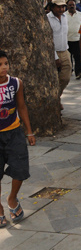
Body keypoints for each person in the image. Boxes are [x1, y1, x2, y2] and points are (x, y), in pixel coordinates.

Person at [0, 50, 35, 227]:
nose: (4, 67)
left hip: (14, 133)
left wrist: (29, 132)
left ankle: (12, 198)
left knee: (21, 168)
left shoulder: (16, 83)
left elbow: (22, 107)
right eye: (0, 65)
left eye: (6, 63)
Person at [46, 0, 71, 99]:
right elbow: (48, 39)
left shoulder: (65, 17)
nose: (61, 9)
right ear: (52, 7)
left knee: (66, 77)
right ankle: (55, 99)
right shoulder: (47, 18)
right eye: (58, 7)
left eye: (63, 7)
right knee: (53, 78)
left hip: (65, 50)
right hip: (53, 52)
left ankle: (56, 97)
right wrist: (55, 57)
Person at [66, 0, 81, 79]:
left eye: (73, 4)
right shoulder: (63, 15)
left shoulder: (80, 15)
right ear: (67, 6)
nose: (72, 6)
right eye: (70, 5)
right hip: (67, 40)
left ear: (75, 6)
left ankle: (79, 73)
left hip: (77, 40)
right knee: (68, 59)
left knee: (78, 57)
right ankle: (69, 72)